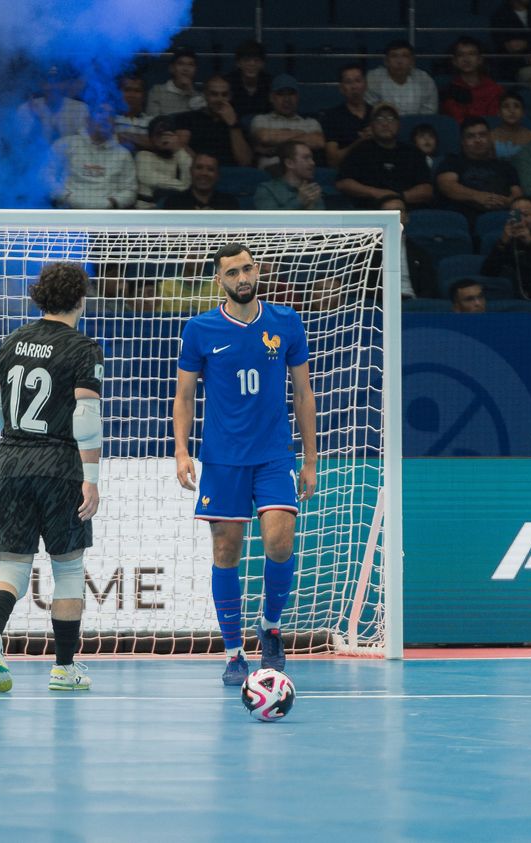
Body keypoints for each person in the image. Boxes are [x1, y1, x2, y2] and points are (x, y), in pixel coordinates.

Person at [172, 243, 317, 684]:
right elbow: (184, 395)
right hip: (223, 460)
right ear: (220, 280)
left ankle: (271, 628)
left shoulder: (286, 321)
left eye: (248, 269)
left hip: (274, 455)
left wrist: (310, 459)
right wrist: (181, 450)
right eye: (232, 272)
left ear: (259, 271)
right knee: (225, 552)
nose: (242, 278)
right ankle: (234, 652)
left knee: (279, 542)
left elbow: (304, 393)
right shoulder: (200, 329)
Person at [0, 262, 104, 694]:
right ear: (80, 299)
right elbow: (85, 416)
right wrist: (91, 476)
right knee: (68, 569)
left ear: (38, 297)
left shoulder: (11, 342)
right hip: (60, 465)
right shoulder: (83, 347)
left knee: (12, 565)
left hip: (11, 462)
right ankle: (63, 668)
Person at [336, 104, 433, 208]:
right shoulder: (360, 150)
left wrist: (397, 197)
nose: (385, 123)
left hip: (408, 210)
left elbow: (426, 189)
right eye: (380, 119)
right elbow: (343, 183)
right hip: (370, 211)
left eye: (391, 119)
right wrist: (377, 193)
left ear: (399, 124)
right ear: (371, 125)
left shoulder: (413, 152)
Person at [435, 116, 521, 224]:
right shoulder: (452, 162)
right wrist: (477, 196)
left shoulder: (505, 166)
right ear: (462, 141)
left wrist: (507, 202)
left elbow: (517, 194)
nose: (478, 140)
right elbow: (447, 185)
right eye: (471, 136)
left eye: (483, 135)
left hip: (503, 217)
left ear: (490, 138)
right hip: (465, 220)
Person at [51, 108, 136, 210]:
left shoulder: (123, 154)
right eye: (100, 112)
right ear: (88, 119)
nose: (105, 117)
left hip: (107, 216)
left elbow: (130, 190)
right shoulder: (65, 144)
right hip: (67, 211)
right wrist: (66, 197)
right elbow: (46, 175)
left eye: (110, 115)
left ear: (114, 123)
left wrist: (111, 203)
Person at [247, 74, 324, 169]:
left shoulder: (310, 123)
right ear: (271, 97)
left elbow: (318, 142)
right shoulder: (261, 119)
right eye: (281, 94)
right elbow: (265, 137)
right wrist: (300, 134)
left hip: (302, 170)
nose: (287, 99)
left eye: (291, 94)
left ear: (297, 97)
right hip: (271, 172)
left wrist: (277, 146)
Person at [174, 76, 253, 167]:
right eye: (214, 94)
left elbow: (245, 161)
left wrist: (233, 124)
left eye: (224, 95)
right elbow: (180, 147)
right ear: (205, 95)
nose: (220, 99)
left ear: (230, 96)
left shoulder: (237, 123)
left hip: (230, 173)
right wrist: (204, 167)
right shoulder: (187, 118)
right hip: (197, 172)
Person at [439, 37, 504, 124]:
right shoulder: (449, 91)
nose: (466, 59)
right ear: (454, 61)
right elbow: (455, 121)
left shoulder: (495, 89)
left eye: (472, 54)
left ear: (480, 59)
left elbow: (494, 120)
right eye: (460, 55)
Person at [366, 40, 438, 116]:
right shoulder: (373, 79)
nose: (399, 61)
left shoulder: (425, 80)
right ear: (386, 61)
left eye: (405, 56)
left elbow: (429, 114)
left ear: (412, 61)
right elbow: (370, 111)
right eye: (394, 56)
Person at [320, 64, 371, 168]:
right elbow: (333, 161)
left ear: (365, 85)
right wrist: (359, 142)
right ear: (341, 88)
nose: (354, 87)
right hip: (347, 172)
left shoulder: (377, 114)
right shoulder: (331, 117)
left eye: (358, 81)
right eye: (348, 82)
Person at [135, 116, 192, 208]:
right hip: (146, 211)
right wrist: (183, 187)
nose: (164, 138)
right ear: (151, 138)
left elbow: (191, 181)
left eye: (168, 135)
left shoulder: (180, 157)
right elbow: (150, 179)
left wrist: (177, 149)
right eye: (159, 134)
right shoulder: (143, 156)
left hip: (173, 210)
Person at [254, 140, 322, 211]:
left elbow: (322, 220)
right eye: (306, 158)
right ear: (289, 163)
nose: (312, 163)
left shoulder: (312, 190)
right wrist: (299, 201)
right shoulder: (267, 190)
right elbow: (269, 220)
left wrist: (311, 206)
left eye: (311, 158)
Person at [161, 153, 240, 210]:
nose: (204, 173)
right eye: (199, 167)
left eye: (210, 169)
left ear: (217, 175)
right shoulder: (174, 203)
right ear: (191, 171)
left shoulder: (229, 204)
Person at [148, 48, 205, 117]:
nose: (186, 69)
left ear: (195, 70)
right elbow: (153, 123)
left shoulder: (201, 97)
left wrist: (191, 91)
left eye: (191, 64)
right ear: (172, 68)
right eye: (181, 64)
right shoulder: (157, 91)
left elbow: (202, 121)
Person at [224, 40, 273, 120]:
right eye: (246, 60)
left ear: (263, 64)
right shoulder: (227, 83)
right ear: (238, 63)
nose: (252, 64)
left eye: (256, 60)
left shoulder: (270, 83)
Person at [490, 92, 531, 159]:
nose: (512, 111)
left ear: (523, 113)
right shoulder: (490, 137)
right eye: (506, 106)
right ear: (499, 112)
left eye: (516, 106)